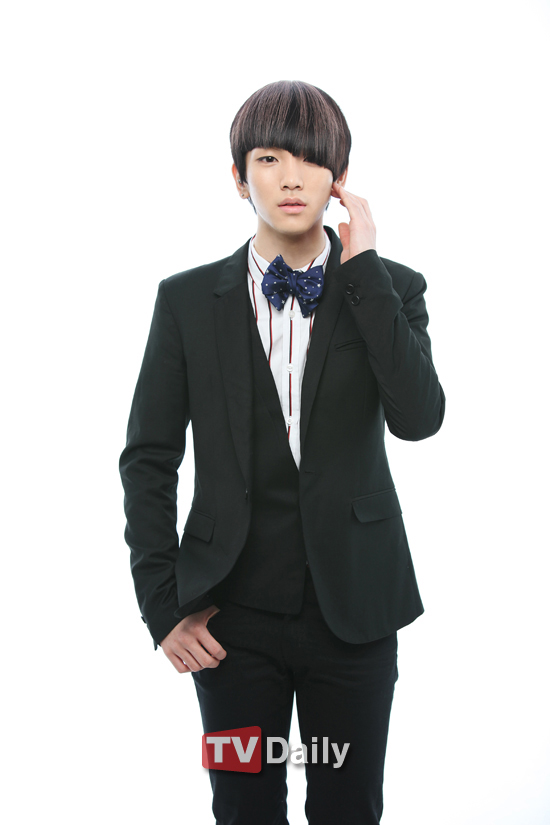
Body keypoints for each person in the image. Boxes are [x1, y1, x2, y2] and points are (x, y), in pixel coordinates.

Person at [119, 79, 445, 825]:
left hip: (356, 611)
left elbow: (420, 419)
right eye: (269, 158)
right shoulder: (185, 301)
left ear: (340, 177)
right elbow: (148, 459)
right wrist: (162, 606)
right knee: (242, 805)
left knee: (348, 807)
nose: (291, 177)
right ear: (240, 178)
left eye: (310, 158)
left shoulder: (391, 289)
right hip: (227, 618)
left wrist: (364, 270)